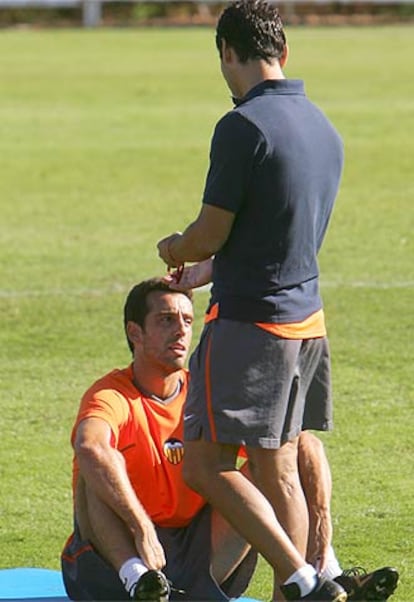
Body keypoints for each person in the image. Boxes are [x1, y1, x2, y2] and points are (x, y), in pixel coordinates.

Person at [156, 1, 348, 599]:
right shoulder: (322, 125)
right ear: (284, 52)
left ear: (227, 55)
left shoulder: (241, 126)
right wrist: (209, 271)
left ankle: (299, 578)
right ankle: (299, 585)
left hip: (251, 329)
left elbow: (210, 230)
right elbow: (278, 232)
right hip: (307, 323)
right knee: (277, 467)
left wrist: (178, 247)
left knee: (204, 464)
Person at [61, 278, 398, 602]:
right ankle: (137, 578)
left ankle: (326, 573)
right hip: (113, 562)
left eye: (187, 320)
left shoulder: (205, 392)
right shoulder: (111, 394)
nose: (180, 330)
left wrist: (323, 532)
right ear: (135, 332)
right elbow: (91, 446)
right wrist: (141, 529)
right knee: (96, 465)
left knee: (284, 456)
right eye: (166, 320)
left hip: (199, 555)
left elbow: (304, 448)